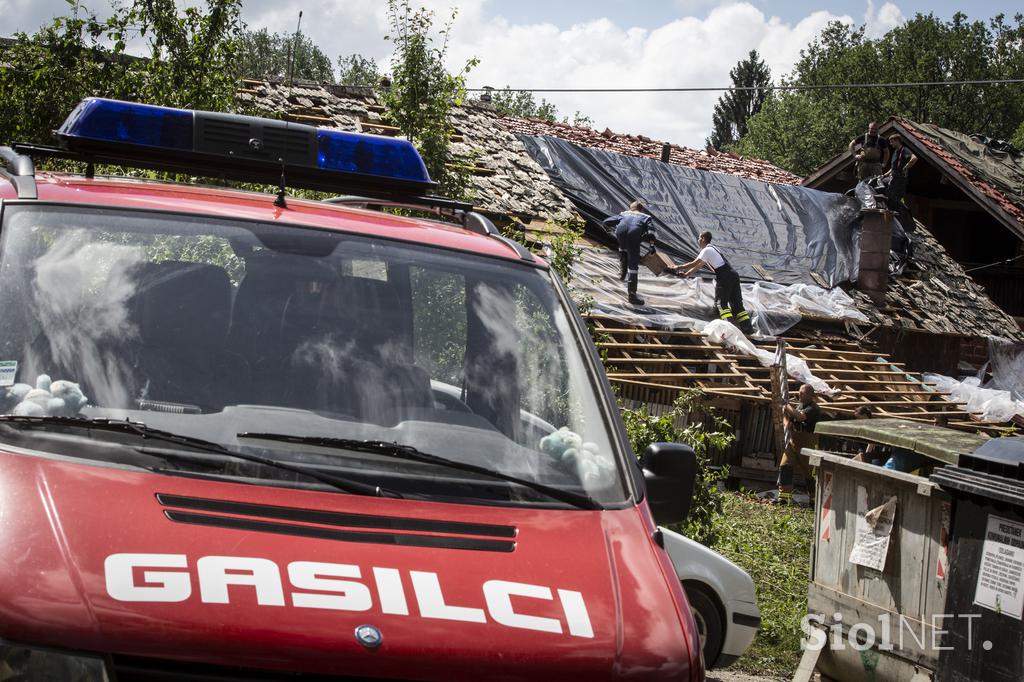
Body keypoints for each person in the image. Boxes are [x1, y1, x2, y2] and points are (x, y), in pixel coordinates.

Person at [674, 231, 753, 334]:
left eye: (698, 238)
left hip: (724, 276)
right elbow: (700, 265)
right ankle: (748, 328)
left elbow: (694, 263)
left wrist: (678, 267)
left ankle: (730, 330)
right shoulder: (714, 249)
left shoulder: (706, 250)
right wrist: (687, 274)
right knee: (737, 304)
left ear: (702, 238)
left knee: (721, 304)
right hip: (733, 275)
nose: (698, 241)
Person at [776, 384, 822, 505]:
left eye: (802, 392)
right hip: (794, 442)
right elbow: (789, 423)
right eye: (799, 392)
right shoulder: (799, 406)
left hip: (808, 445)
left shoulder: (813, 408)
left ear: (810, 395)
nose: (799, 394)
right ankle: (784, 498)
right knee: (785, 466)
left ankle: (814, 500)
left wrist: (787, 405)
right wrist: (784, 414)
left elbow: (801, 417)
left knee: (809, 474)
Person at [603, 200, 655, 306]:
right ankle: (632, 295)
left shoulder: (624, 214)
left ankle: (622, 274)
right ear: (641, 209)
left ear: (631, 208)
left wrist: (609, 232)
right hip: (634, 236)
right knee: (633, 264)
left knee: (623, 248)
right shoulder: (646, 217)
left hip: (620, 233)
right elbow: (651, 233)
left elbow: (606, 222)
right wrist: (652, 245)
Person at [884, 133, 917, 207]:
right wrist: (885, 174)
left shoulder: (904, 150)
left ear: (897, 141)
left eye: (892, 141)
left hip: (900, 179)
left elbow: (914, 158)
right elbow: (893, 167)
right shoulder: (895, 152)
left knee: (896, 198)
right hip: (893, 178)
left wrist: (906, 167)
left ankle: (899, 212)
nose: (890, 143)